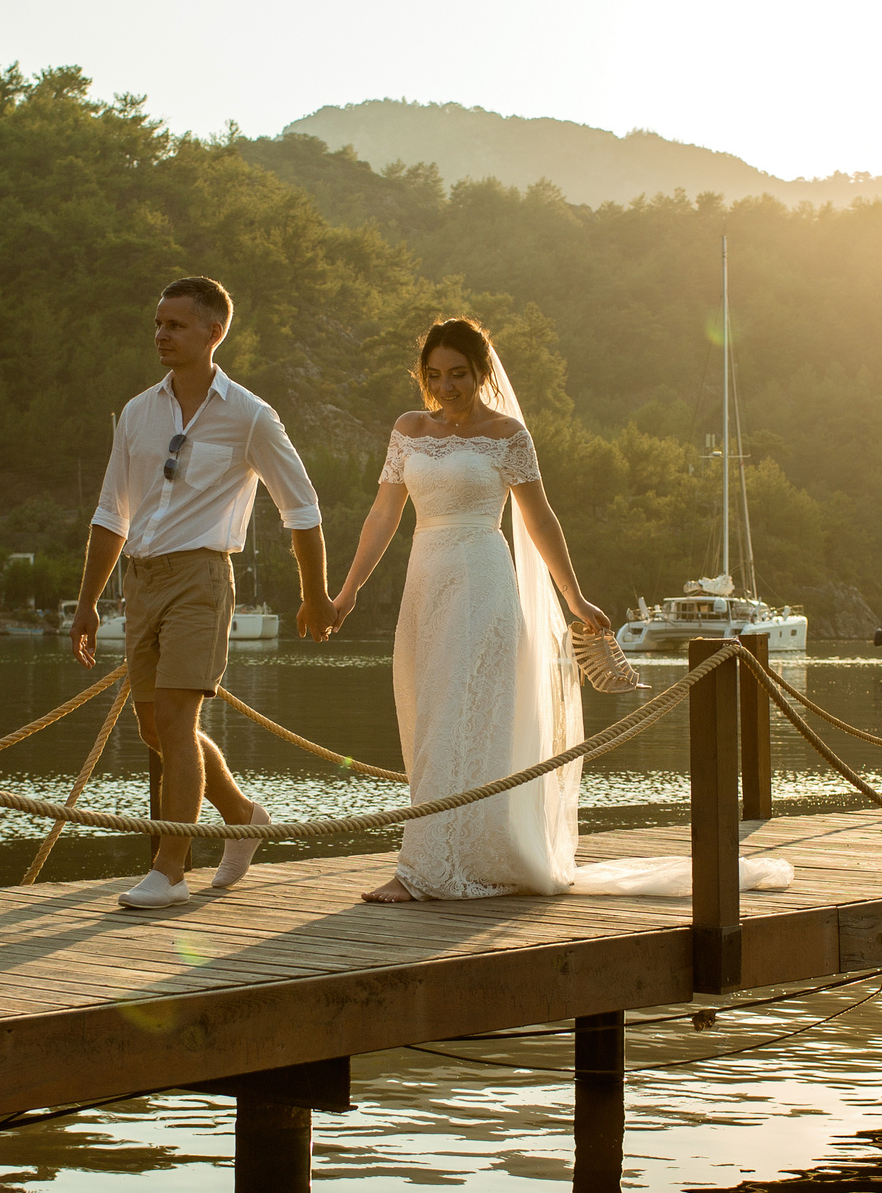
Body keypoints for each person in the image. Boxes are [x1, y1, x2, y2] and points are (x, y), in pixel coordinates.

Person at [332, 319, 790, 904]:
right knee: (429, 718)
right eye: (435, 375)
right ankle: (473, 852)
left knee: (459, 716)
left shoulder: (506, 434)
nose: (446, 386)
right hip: (425, 583)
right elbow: (382, 517)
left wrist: (574, 597)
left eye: (459, 375)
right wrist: (346, 593)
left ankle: (422, 868)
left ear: (481, 374)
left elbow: (540, 518)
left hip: (481, 583)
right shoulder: (409, 430)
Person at [70, 276, 335, 910]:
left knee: (177, 720)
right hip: (141, 579)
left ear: (214, 333)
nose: (161, 334)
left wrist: (315, 595)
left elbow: (302, 509)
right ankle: (242, 816)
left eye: (176, 325)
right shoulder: (138, 411)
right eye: (158, 324)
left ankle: (170, 869)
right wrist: (87, 603)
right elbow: (112, 513)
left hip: (201, 578)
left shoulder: (250, 415)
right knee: (155, 729)